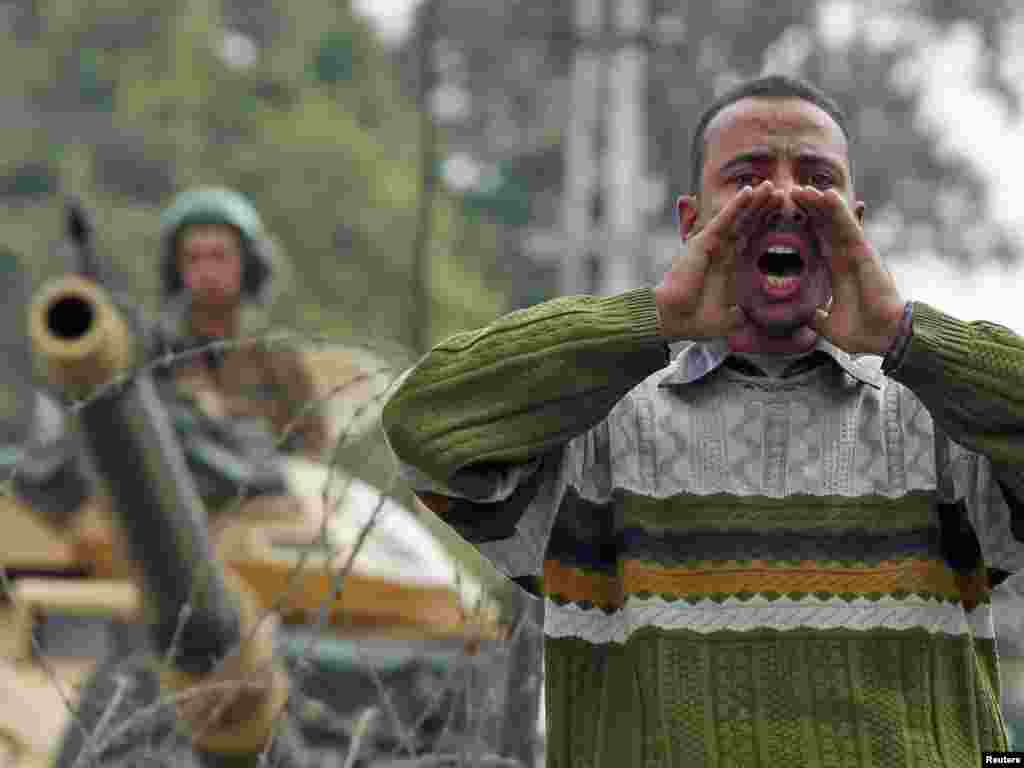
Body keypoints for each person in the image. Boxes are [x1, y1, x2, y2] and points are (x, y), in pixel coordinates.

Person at [381, 74, 1024, 766]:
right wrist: (650, 320)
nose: (782, 197)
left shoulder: (941, 428)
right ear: (692, 223)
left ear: (854, 222)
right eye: (746, 178)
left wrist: (908, 338)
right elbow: (425, 421)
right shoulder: (598, 437)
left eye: (817, 179)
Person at [156, 185, 329, 463]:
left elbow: (312, 453)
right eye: (193, 258)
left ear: (248, 263)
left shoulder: (279, 359)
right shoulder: (158, 355)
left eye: (219, 256)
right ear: (176, 268)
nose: (207, 272)